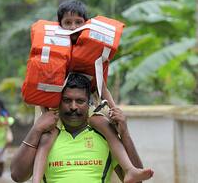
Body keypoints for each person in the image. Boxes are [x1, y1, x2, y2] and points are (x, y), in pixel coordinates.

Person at [30, 0, 154, 183]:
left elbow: (102, 87)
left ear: (86, 24)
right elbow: (42, 87)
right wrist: (44, 117)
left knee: (103, 124)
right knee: (47, 138)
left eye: (78, 22)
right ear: (59, 26)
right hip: (54, 108)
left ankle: (129, 169)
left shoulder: (92, 53)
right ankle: (36, 180)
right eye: (67, 23)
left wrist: (113, 108)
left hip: (87, 104)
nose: (73, 27)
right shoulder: (52, 50)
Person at [11, 73, 153, 182]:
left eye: (80, 101)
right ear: (58, 102)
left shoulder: (106, 135)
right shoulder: (45, 135)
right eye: (67, 100)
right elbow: (17, 176)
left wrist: (125, 134)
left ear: (88, 103)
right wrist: (36, 130)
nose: (73, 107)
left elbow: (137, 182)